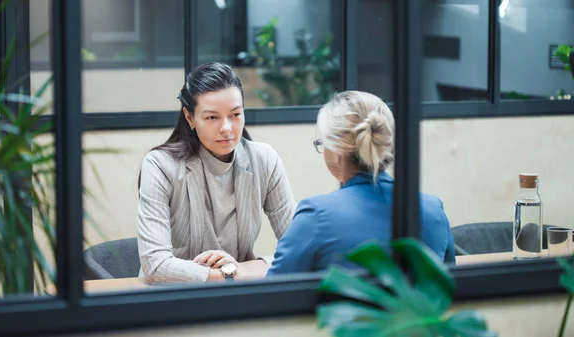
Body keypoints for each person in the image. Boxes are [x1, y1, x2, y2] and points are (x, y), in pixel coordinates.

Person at [137, 62, 297, 283]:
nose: (227, 128)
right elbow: (155, 266)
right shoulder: (160, 166)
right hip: (172, 296)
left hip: (236, 295)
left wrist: (243, 268)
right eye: (212, 117)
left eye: (235, 115)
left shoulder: (264, 160)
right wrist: (228, 274)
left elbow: (300, 248)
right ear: (190, 117)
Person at [267, 90, 455, 275]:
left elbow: (273, 294)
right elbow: (446, 287)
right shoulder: (433, 209)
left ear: (337, 150)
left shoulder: (315, 215)